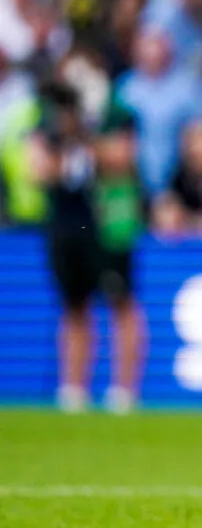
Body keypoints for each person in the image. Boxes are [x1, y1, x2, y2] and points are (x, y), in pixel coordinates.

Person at [31, 82, 145, 413]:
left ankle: (124, 393)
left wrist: (85, 138)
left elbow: (122, 159)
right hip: (66, 223)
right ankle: (73, 391)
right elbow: (38, 170)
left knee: (120, 301)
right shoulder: (48, 122)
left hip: (108, 222)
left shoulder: (114, 114)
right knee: (73, 305)